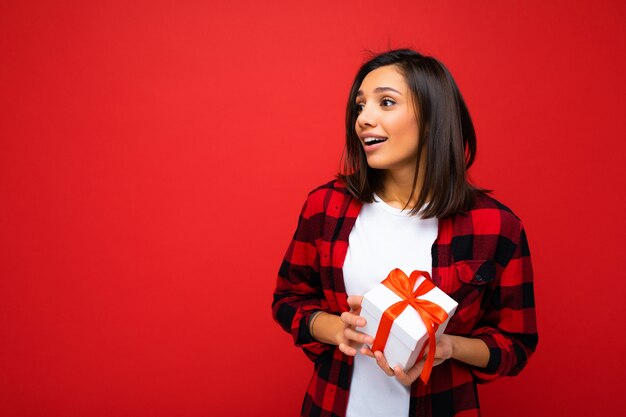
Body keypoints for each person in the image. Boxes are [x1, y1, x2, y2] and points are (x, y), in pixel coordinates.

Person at [272, 49, 538, 417]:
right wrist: (334, 328)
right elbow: (288, 299)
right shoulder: (326, 206)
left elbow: (515, 345)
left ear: (432, 117)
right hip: (333, 406)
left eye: (386, 102)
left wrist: (447, 348)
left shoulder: (495, 226)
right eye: (360, 106)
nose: (364, 119)